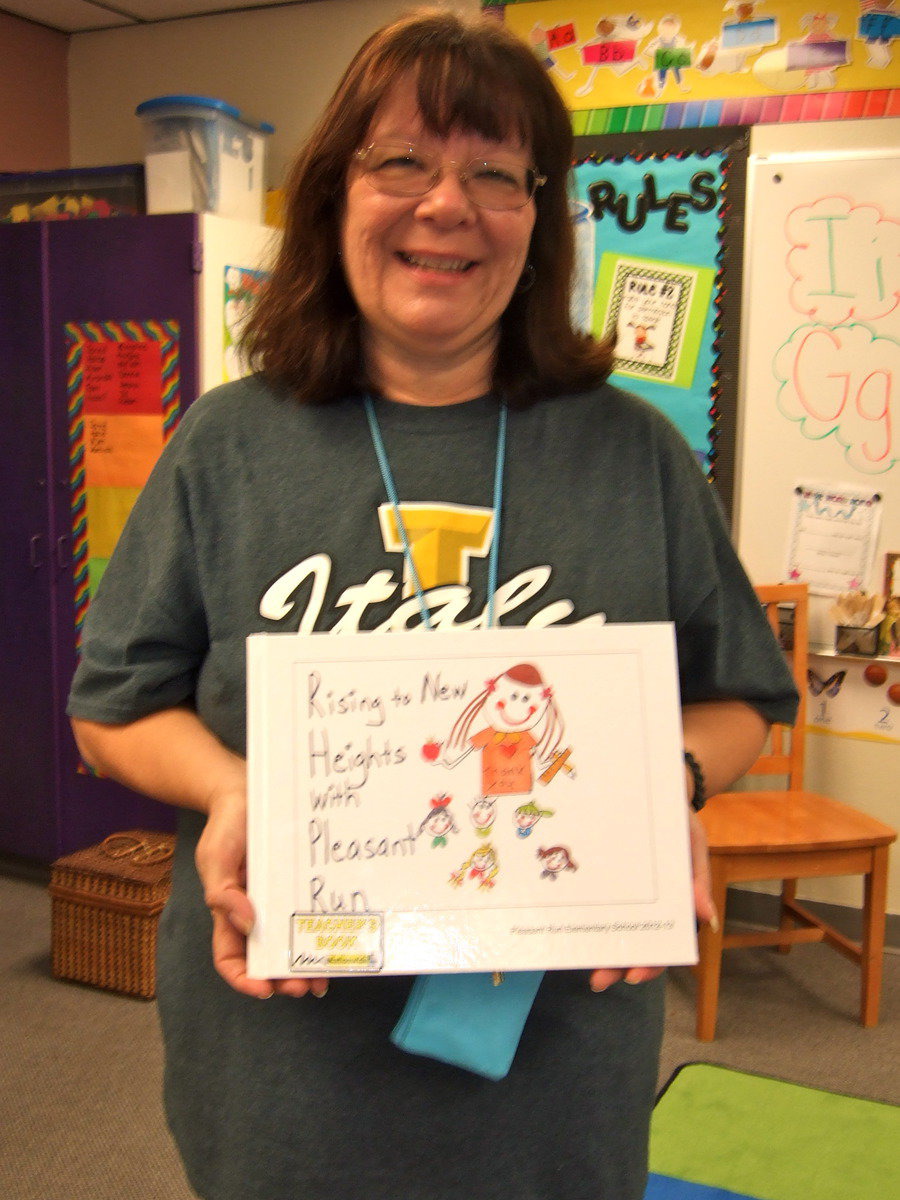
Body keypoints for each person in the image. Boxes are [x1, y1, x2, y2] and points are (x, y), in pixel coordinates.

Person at [67, 9, 798, 1200]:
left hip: (557, 1056)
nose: (446, 205)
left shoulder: (635, 454)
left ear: (538, 216)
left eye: (494, 173)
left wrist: (661, 781)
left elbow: (739, 697)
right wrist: (236, 788)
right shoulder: (229, 446)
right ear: (334, 195)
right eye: (401, 161)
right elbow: (111, 706)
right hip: (289, 1045)